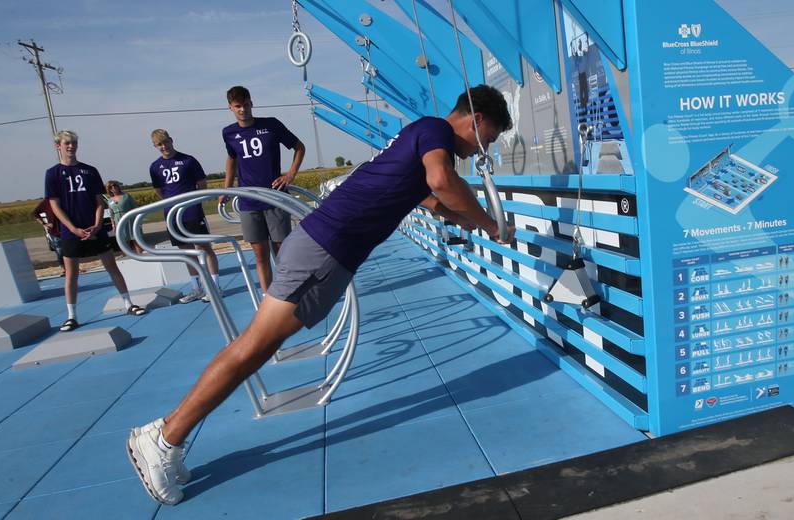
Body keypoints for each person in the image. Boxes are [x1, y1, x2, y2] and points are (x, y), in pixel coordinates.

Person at [126, 85, 515, 505]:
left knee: (254, 347)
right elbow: (442, 180)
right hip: (323, 251)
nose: (481, 150)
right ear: (476, 120)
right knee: (252, 349)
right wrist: (492, 224)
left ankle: (168, 435)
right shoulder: (436, 131)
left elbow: (425, 194)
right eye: (487, 138)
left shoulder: (420, 135)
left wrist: (464, 219)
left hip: (325, 250)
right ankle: (164, 438)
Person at [45, 130, 146, 332]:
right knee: (71, 274)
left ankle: (128, 303)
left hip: (95, 229)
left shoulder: (90, 171)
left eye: (73, 142)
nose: (71, 146)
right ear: (58, 146)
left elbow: (99, 202)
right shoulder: (53, 173)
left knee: (112, 267)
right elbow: (55, 205)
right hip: (70, 232)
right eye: (67, 143)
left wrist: (98, 225)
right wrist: (73, 228)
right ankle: (72, 316)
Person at [220, 85, 306, 293]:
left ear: (252, 103)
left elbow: (299, 147)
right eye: (238, 106)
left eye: (246, 104)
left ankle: (290, 293)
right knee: (260, 254)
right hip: (249, 200)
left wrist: (290, 174)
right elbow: (232, 159)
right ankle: (268, 297)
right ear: (230, 108)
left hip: (274, 197)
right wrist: (226, 188)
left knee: (282, 252)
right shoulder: (229, 133)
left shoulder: (271, 125)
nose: (243, 110)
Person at [149, 129, 221, 303]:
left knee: (204, 248)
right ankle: (196, 287)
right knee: (186, 252)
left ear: (171, 140)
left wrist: (192, 202)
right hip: (172, 215)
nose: (164, 146)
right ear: (155, 146)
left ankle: (215, 286)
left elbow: (202, 184)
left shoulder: (188, 160)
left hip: (192, 212)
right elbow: (160, 190)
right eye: (159, 144)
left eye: (165, 142)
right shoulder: (155, 167)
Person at [104, 180, 142, 254]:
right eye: (111, 187)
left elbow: (135, 208)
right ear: (109, 189)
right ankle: (128, 258)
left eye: (115, 186)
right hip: (118, 222)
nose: (113, 188)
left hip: (130, 220)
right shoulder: (110, 200)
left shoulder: (126, 196)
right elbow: (111, 215)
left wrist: (138, 221)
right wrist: (113, 225)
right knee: (124, 242)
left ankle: (141, 256)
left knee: (135, 239)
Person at [32, 198, 65, 272]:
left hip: (67, 229)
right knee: (60, 250)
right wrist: (44, 224)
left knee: (70, 250)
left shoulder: (64, 198)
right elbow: (35, 213)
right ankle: (64, 268)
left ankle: (73, 268)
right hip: (55, 231)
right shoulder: (46, 202)